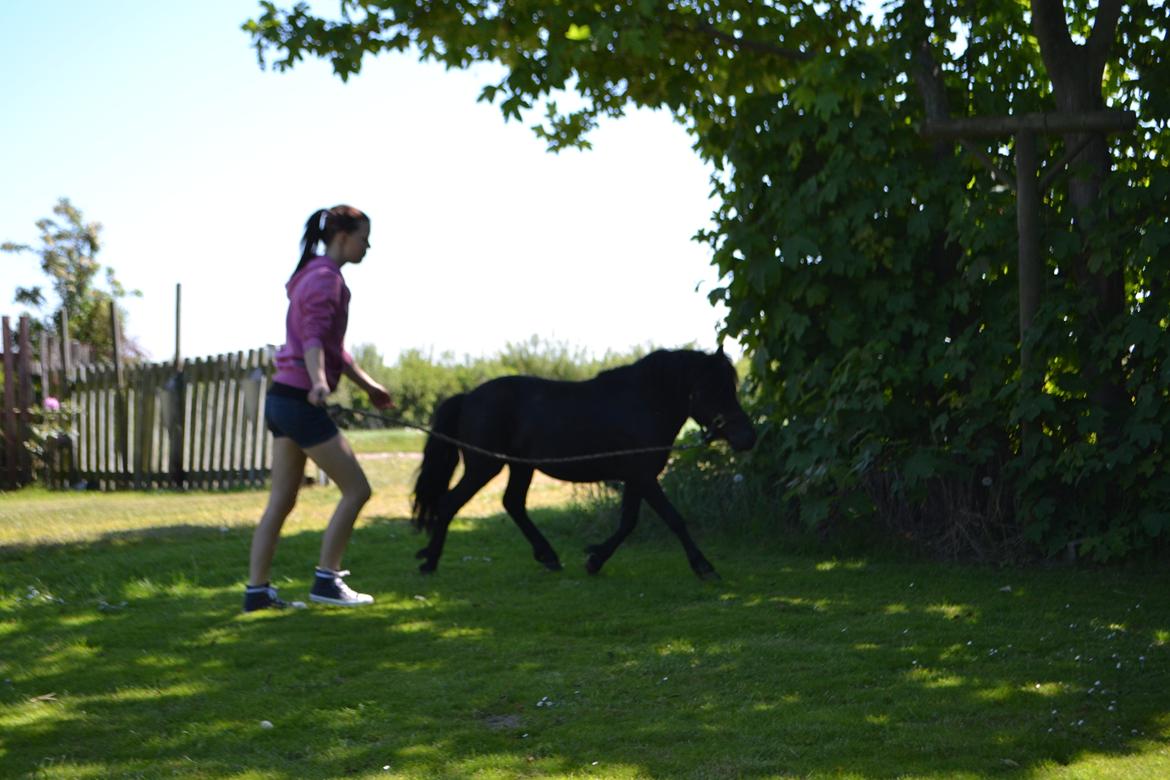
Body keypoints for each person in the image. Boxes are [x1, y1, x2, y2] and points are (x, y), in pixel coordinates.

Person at [244, 205, 393, 612]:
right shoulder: (327, 279)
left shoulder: (310, 275)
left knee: (281, 501)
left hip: (281, 399)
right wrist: (320, 381)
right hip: (299, 400)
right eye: (365, 236)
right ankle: (327, 580)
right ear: (344, 237)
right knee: (358, 488)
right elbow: (312, 337)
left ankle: (257, 593)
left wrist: (369, 387)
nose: (368, 245)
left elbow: (333, 348)